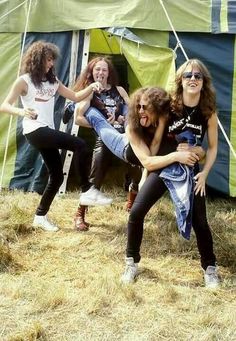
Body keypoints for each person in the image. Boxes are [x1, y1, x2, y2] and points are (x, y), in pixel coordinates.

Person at [120, 59, 220, 289]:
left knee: (200, 222)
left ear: (204, 81)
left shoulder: (208, 112)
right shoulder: (170, 107)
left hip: (190, 170)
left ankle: (210, 269)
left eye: (198, 76)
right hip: (165, 166)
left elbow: (212, 147)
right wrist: (147, 170)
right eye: (188, 75)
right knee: (136, 213)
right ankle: (131, 263)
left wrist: (204, 173)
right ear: (180, 80)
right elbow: (153, 137)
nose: (193, 79)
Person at [0, 41, 112, 232]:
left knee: (57, 176)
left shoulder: (53, 82)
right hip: (34, 130)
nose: (51, 63)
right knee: (81, 145)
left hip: (46, 130)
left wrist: (92, 87)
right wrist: (22, 112)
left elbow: (75, 96)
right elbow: (4, 106)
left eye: (52, 59)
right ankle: (87, 190)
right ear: (37, 59)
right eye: (48, 59)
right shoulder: (24, 81)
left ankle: (40, 216)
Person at [65, 56, 141, 231]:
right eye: (97, 69)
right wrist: (102, 124)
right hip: (106, 137)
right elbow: (78, 119)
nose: (100, 72)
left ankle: (131, 202)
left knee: (136, 168)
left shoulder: (120, 90)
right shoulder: (89, 91)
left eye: (104, 69)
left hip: (125, 136)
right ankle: (80, 214)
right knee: (96, 174)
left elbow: (133, 114)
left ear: (109, 73)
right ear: (92, 72)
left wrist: (122, 119)